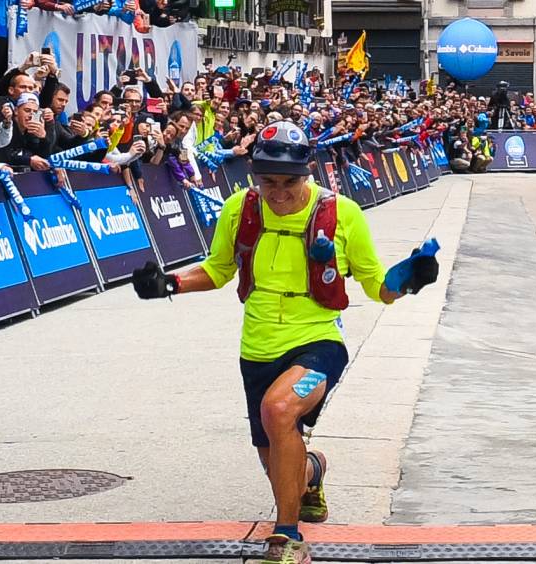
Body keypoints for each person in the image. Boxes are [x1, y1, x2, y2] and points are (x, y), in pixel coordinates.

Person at [131, 120, 439, 564]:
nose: (277, 192)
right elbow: (218, 270)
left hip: (318, 340)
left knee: (279, 411)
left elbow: (377, 286)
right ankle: (313, 472)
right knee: (276, 458)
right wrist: (169, 284)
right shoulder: (239, 208)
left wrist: (409, 279)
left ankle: (287, 536)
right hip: (258, 346)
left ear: (308, 171)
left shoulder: (342, 213)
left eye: (289, 182)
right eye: (267, 181)